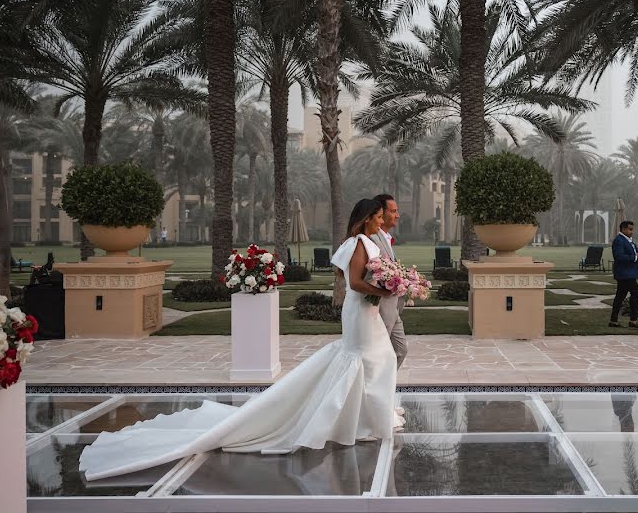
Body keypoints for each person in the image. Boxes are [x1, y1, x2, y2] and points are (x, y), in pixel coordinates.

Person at [79, 199, 403, 481]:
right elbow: (358, 284)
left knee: (378, 359)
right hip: (361, 311)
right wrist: (386, 289)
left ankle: (363, 418)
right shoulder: (358, 242)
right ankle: (358, 421)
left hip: (365, 313)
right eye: (376, 216)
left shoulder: (364, 240)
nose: (380, 221)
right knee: (371, 359)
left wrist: (388, 286)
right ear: (365, 218)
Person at [371, 194, 408, 371]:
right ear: (381, 213)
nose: (397, 215)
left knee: (400, 351)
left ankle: (383, 388)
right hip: (381, 308)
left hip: (393, 307)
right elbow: (371, 273)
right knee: (379, 354)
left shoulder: (385, 238)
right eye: (393, 211)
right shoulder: (372, 239)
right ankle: (374, 391)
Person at [610, 220, 638, 329]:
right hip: (624, 273)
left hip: (628, 273)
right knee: (635, 293)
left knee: (620, 297)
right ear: (623, 229)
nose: (632, 232)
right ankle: (633, 320)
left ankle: (613, 320)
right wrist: (636, 257)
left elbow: (632, 254)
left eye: (632, 229)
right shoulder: (619, 240)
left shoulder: (628, 240)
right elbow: (619, 256)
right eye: (630, 229)